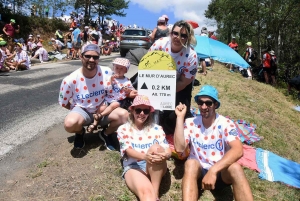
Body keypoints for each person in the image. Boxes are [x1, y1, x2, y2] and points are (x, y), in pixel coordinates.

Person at [174, 85, 254, 201]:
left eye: (208, 103)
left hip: (220, 171)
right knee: (190, 164)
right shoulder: (191, 123)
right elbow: (180, 148)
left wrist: (213, 170)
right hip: (198, 170)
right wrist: (180, 118)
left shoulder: (226, 123)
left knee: (236, 168)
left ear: (215, 105)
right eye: (200, 102)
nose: (204, 106)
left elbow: (238, 150)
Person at [58, 44, 128, 149]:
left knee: (125, 115)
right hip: (83, 110)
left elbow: (118, 88)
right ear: (81, 56)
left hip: (103, 109)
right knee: (69, 124)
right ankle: (80, 132)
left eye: (95, 57)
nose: (91, 59)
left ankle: (106, 133)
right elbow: (64, 102)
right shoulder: (70, 80)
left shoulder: (107, 72)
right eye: (88, 56)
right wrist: (77, 112)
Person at [117, 95, 172, 201]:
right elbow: (128, 151)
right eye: (138, 110)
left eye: (145, 111)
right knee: (146, 194)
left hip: (155, 165)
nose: (142, 114)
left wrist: (166, 155)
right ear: (132, 110)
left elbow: (166, 148)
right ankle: (152, 195)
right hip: (134, 166)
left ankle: (155, 193)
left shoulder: (157, 128)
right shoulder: (123, 129)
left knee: (156, 148)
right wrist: (145, 157)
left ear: (149, 112)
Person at [149, 20, 198, 134]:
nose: (178, 37)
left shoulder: (191, 55)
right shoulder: (160, 44)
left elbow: (184, 82)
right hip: (156, 78)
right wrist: (156, 91)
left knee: (175, 117)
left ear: (188, 38)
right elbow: (147, 65)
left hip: (179, 84)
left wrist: (165, 93)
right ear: (170, 33)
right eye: (175, 33)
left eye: (183, 35)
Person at [86, 58, 138, 134]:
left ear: (126, 70)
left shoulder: (126, 80)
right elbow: (107, 88)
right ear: (113, 68)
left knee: (115, 104)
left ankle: (101, 116)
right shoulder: (110, 78)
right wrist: (110, 80)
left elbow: (131, 90)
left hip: (119, 100)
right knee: (101, 108)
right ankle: (94, 123)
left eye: (121, 69)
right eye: (117, 68)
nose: (119, 70)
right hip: (109, 99)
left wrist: (128, 90)